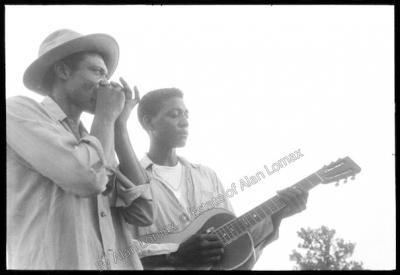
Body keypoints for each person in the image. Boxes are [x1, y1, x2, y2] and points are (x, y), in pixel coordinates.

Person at [6, 29, 153, 270]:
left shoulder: (94, 138)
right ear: (63, 71)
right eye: (97, 71)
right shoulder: (18, 111)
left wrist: (119, 127)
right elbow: (88, 179)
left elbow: (144, 214)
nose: (107, 83)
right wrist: (105, 116)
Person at [119, 88, 308, 269]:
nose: (184, 121)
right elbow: (116, 249)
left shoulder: (207, 176)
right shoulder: (128, 180)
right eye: (174, 114)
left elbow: (235, 246)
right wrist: (173, 255)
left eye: (186, 114)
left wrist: (277, 215)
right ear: (149, 123)